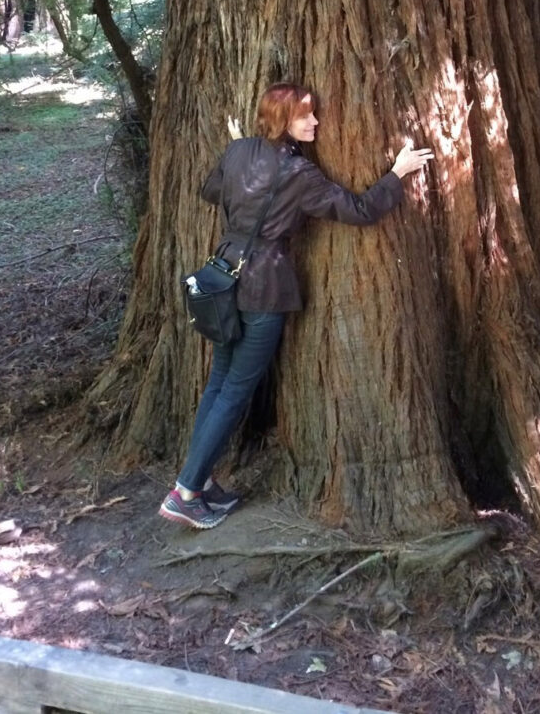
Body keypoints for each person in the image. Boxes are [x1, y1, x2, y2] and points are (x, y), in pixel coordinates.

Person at [158, 81, 433, 529]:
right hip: (264, 289)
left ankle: (200, 481)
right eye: (305, 115)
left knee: (219, 384)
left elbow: (211, 193)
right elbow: (360, 210)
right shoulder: (299, 175)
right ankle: (185, 492)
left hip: (223, 276)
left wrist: (237, 159)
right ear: (283, 119)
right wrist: (397, 173)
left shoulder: (239, 151)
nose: (316, 122)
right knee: (232, 391)